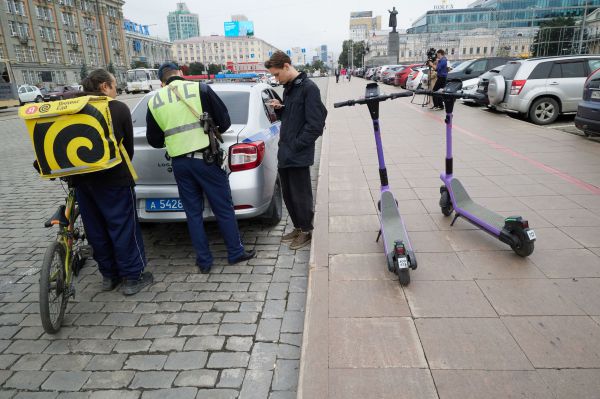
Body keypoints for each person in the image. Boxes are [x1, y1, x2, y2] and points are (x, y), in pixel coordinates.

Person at [146, 62, 255, 273]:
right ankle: (234, 252)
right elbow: (224, 122)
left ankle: (204, 261)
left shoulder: (154, 100)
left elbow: (155, 140)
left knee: (193, 213)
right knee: (223, 207)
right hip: (205, 160)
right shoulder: (200, 88)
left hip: (179, 163)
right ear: (180, 73)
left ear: (162, 80)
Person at [74, 69, 152, 295]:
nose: (116, 89)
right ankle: (132, 278)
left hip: (81, 181)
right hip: (114, 179)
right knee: (123, 227)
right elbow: (128, 148)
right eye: (114, 85)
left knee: (95, 229)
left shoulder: (72, 107)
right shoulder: (116, 108)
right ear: (104, 87)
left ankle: (109, 276)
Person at [265, 51, 327, 250]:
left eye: (276, 74)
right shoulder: (289, 89)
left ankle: (307, 230)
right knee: (289, 195)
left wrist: (297, 144)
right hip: (286, 151)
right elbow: (293, 116)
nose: (276, 79)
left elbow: (316, 124)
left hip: (298, 152)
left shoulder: (309, 88)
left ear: (286, 66)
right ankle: (298, 227)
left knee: (301, 194)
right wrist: (281, 109)